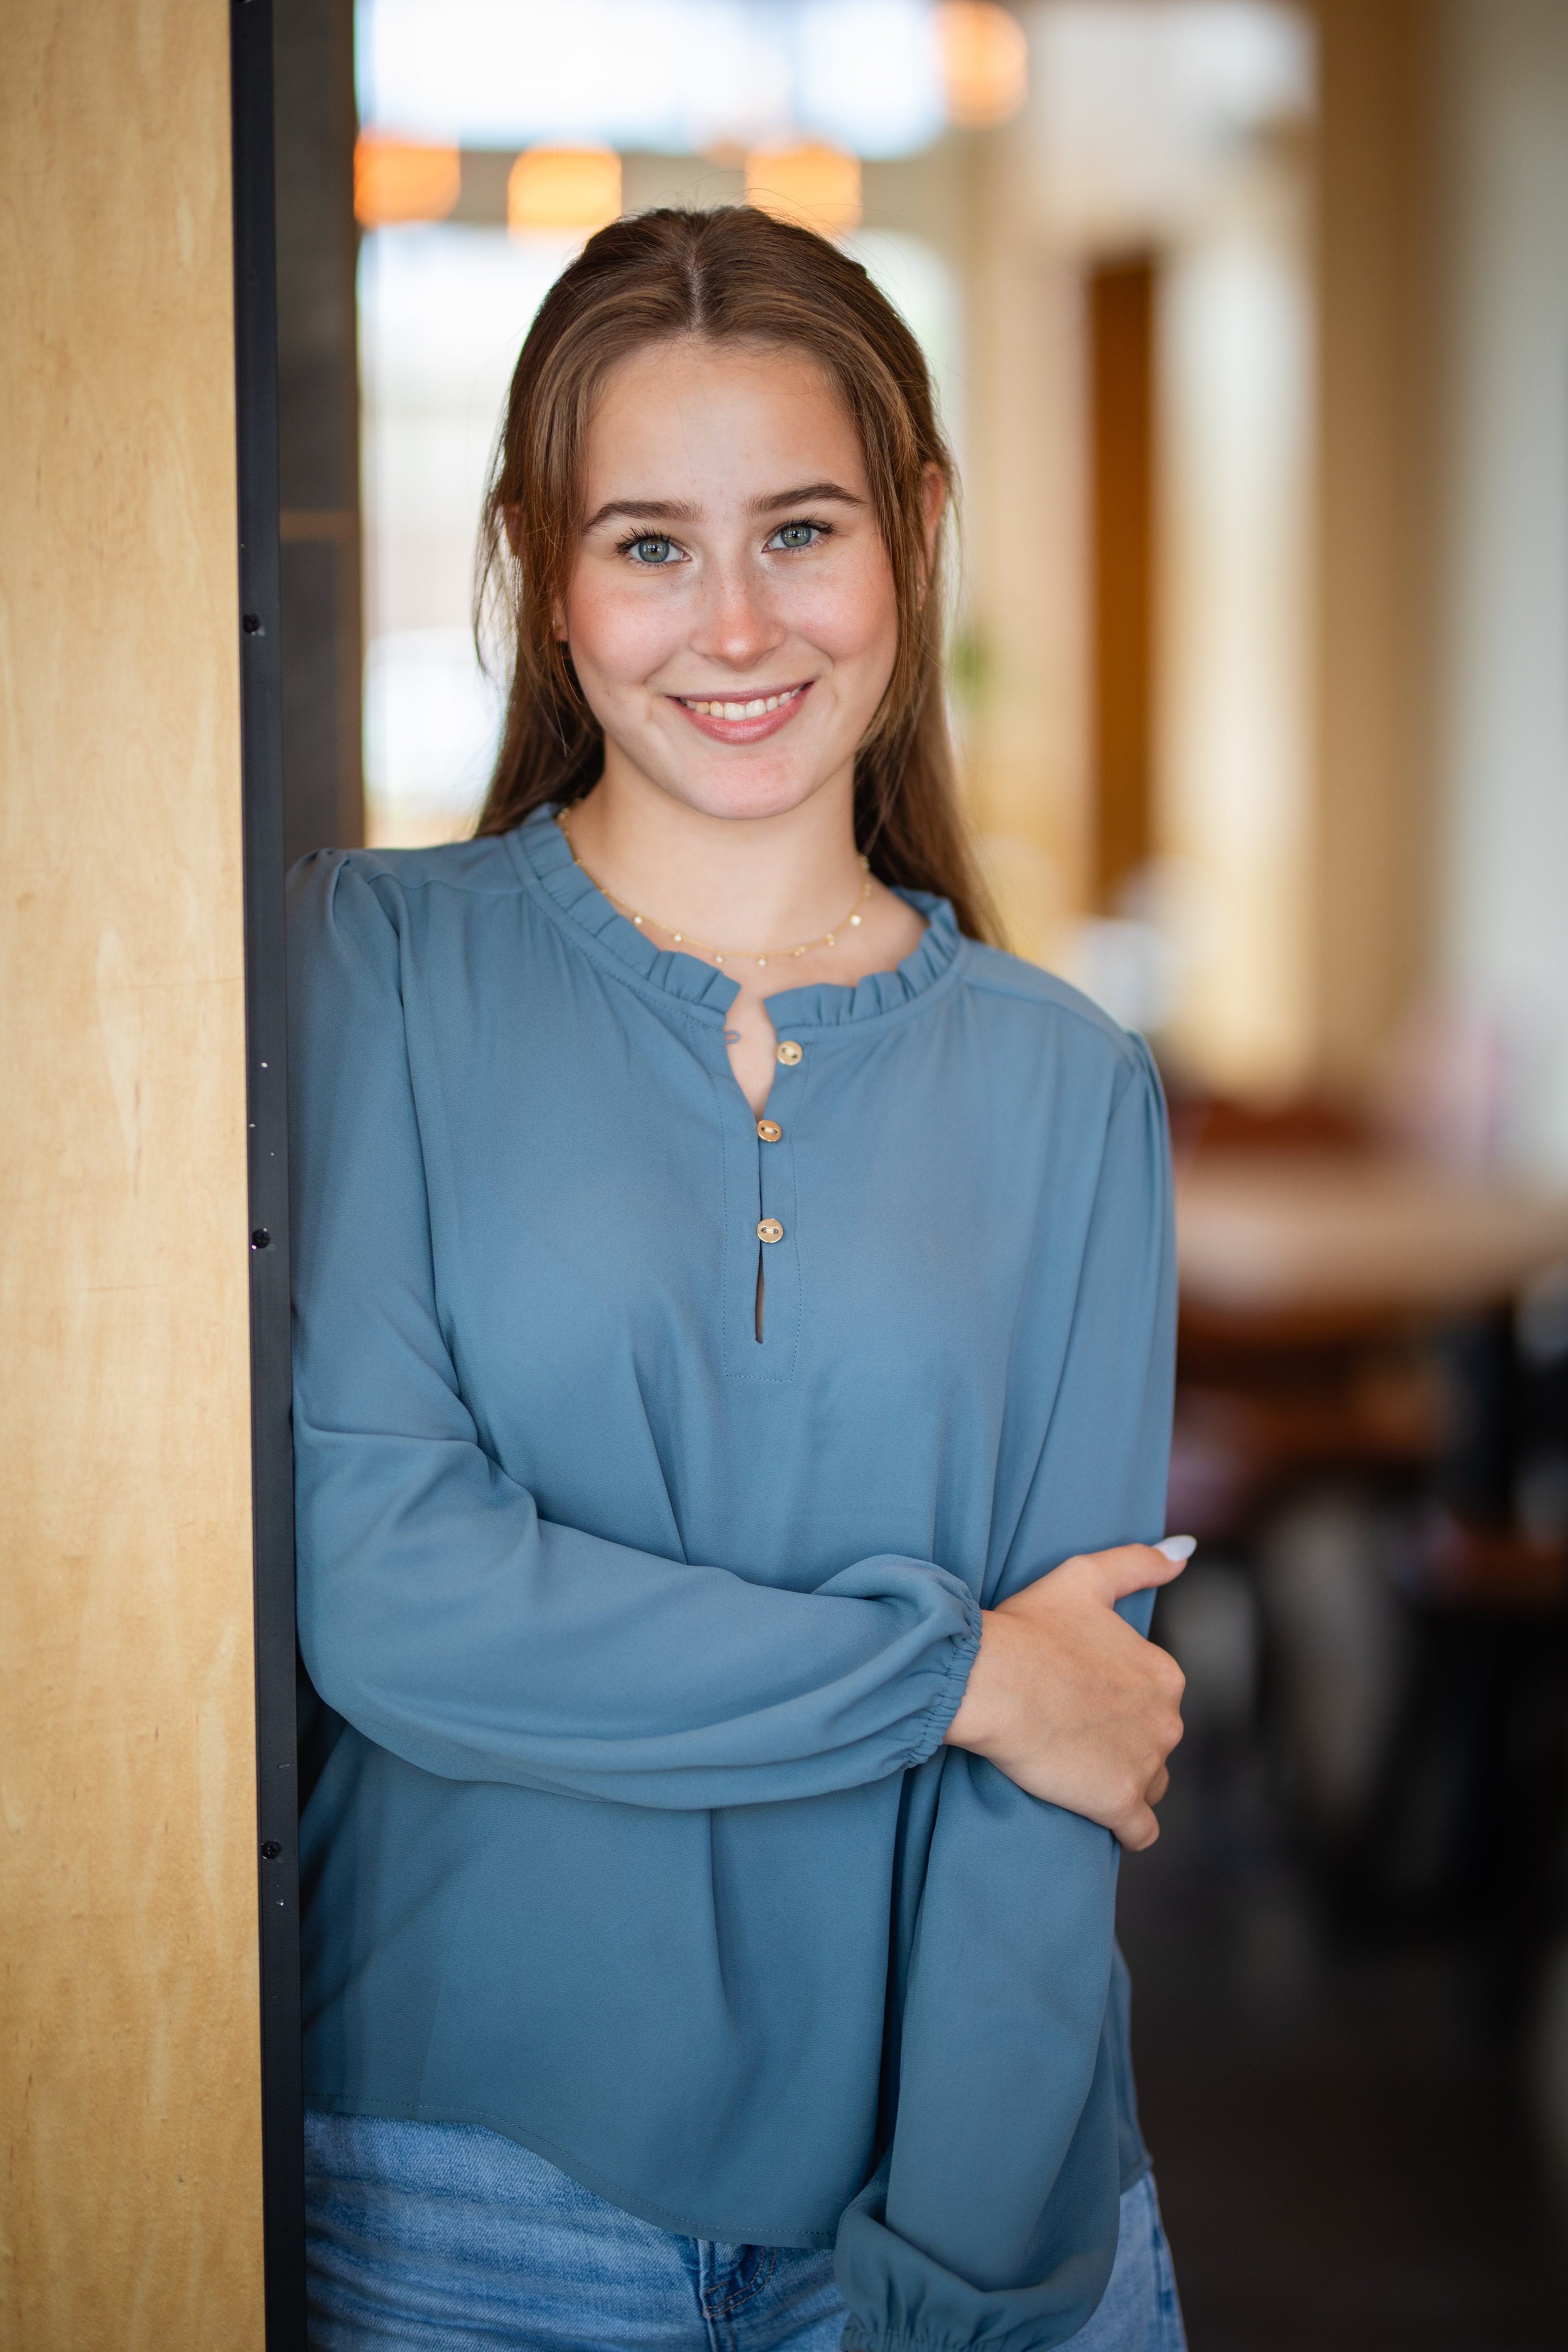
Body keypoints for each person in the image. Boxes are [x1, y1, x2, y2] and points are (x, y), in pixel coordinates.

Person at [290, 204, 1189, 2352]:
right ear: (542, 563)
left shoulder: (1070, 1087)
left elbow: (1053, 1790)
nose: (732, 624)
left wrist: (967, 2280)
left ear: (914, 532)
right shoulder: (370, 972)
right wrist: (950, 1672)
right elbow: (392, 1596)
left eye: (798, 528)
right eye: (647, 543)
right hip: (459, 2209)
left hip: (969, 2222)